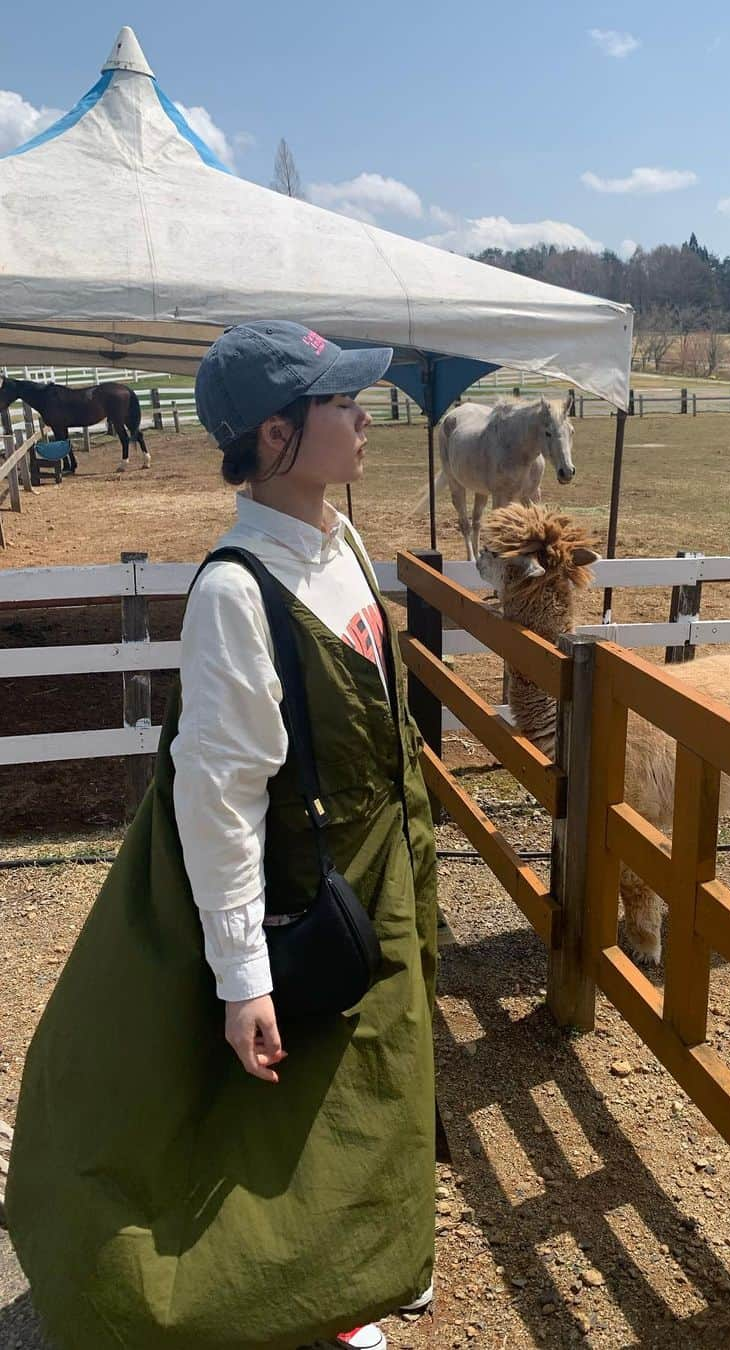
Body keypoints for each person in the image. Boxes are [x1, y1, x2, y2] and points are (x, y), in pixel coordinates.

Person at [7, 322, 439, 1350]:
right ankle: (280, 1297)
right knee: (306, 1098)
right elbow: (220, 798)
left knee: (371, 1082)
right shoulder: (241, 593)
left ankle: (349, 1278)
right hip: (309, 884)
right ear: (279, 436)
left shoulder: (340, 544)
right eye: (342, 402)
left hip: (377, 867)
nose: (365, 414)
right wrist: (244, 973)